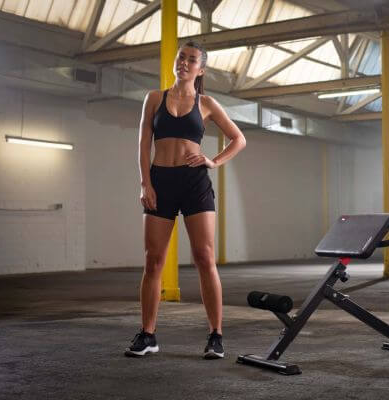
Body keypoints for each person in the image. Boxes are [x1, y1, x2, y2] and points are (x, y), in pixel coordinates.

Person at [124, 40, 246, 359]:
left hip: (194, 182)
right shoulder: (154, 98)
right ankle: (148, 335)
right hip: (160, 182)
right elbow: (143, 143)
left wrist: (213, 161)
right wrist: (145, 183)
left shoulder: (206, 103)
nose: (184, 63)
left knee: (204, 257)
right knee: (154, 261)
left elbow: (238, 139)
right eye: (181, 57)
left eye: (191, 60)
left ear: (200, 69)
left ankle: (216, 335)